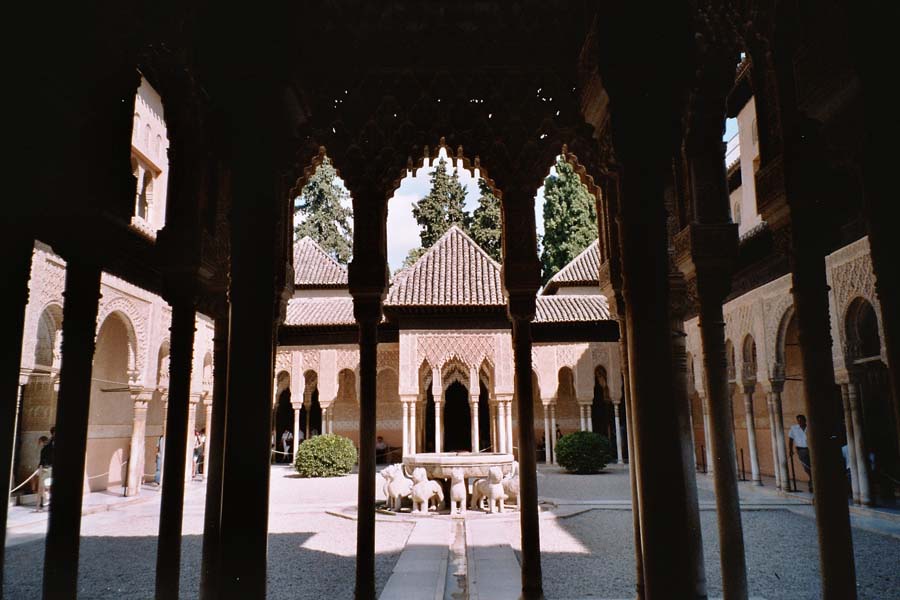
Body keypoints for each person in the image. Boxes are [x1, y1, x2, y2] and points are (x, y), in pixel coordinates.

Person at [789, 414, 812, 492]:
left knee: (813, 466)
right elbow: (790, 440)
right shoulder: (794, 428)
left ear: (805, 420)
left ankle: (812, 482)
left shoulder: (810, 427)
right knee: (807, 468)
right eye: (798, 420)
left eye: (801, 420)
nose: (800, 422)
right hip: (801, 450)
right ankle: (812, 481)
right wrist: (790, 450)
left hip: (811, 450)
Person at [37, 436, 53, 509]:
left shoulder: (45, 449)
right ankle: (45, 500)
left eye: (39, 442)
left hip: (45, 468)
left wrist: (40, 467)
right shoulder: (50, 447)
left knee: (43, 486)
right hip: (48, 468)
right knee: (46, 485)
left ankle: (46, 501)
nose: (38, 443)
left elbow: (43, 460)